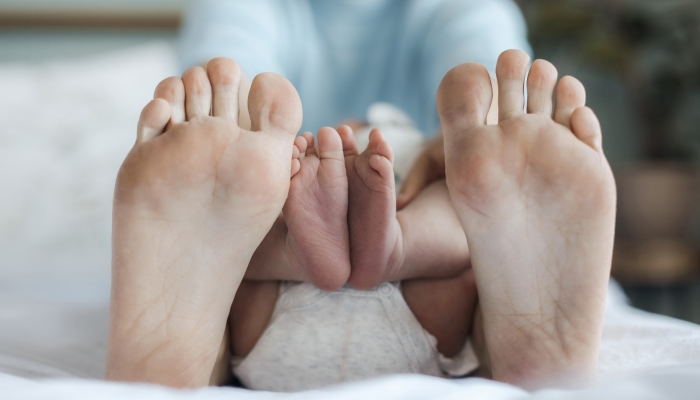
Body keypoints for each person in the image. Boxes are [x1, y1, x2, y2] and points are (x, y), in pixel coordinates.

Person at [105, 49, 616, 390]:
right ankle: (407, 256)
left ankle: (180, 366)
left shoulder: (268, 162)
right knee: (464, 228)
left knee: (235, 256)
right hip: (432, 316)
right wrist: (440, 166)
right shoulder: (436, 156)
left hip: (262, 329)